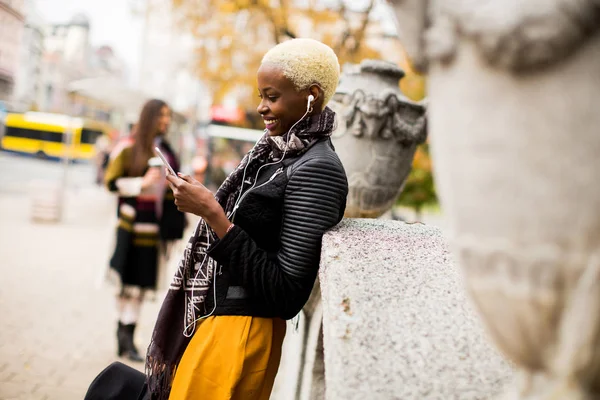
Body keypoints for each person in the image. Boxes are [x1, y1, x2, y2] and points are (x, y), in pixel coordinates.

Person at [84, 38, 348, 400]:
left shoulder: (317, 168)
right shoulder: (274, 154)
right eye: (261, 95)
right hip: (216, 320)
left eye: (271, 97)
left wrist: (212, 213)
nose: (261, 107)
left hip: (243, 335)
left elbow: (287, 293)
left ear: (311, 96)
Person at [102, 99, 186, 362]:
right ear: (150, 117)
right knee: (127, 282)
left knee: (141, 283)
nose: (166, 121)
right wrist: (141, 183)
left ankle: (127, 336)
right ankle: (124, 337)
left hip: (154, 229)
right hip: (130, 227)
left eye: (168, 116)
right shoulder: (128, 148)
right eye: (162, 116)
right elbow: (111, 183)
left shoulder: (166, 151)